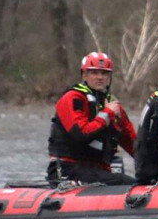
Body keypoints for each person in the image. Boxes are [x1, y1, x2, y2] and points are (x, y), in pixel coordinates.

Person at [47, 52, 137, 185]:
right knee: (125, 182)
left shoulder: (113, 106)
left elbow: (133, 143)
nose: (100, 77)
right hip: (68, 169)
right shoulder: (72, 99)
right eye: (94, 73)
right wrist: (106, 114)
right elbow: (81, 134)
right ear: (84, 75)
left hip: (96, 170)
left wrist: (153, 167)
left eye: (104, 73)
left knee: (135, 182)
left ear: (109, 77)